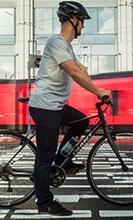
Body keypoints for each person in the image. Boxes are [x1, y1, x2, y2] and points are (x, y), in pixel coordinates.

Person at [29, 1, 112, 216]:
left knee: (82, 122)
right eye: (82, 22)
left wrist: (98, 87)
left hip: (55, 106)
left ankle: (61, 161)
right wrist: (97, 91)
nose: (83, 26)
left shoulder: (67, 47)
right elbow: (73, 72)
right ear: (73, 20)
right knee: (44, 156)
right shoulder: (56, 42)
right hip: (45, 106)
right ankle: (44, 202)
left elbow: (81, 70)